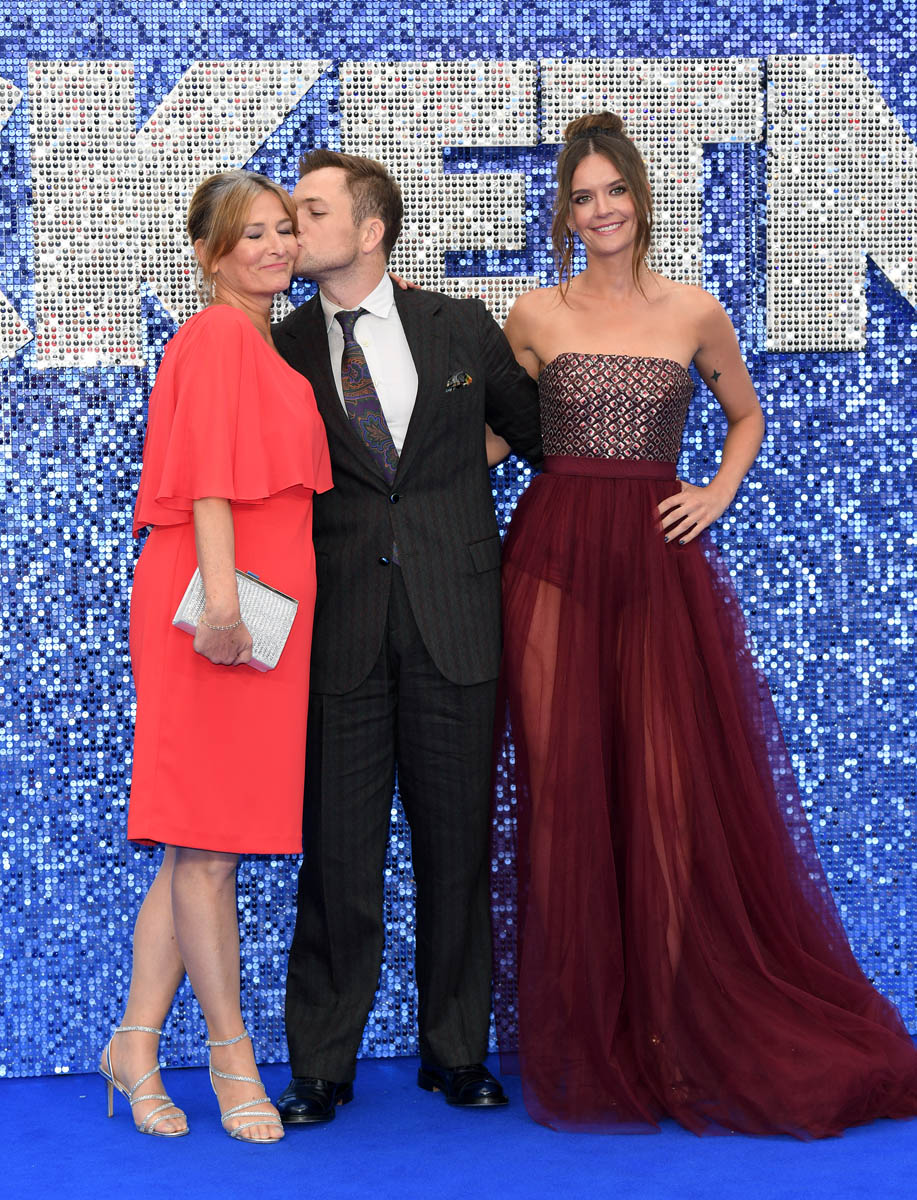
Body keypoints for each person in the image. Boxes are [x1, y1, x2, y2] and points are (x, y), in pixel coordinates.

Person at [492, 112, 917, 1137]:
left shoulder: (693, 310)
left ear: (641, 198)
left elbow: (745, 415)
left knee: (664, 798)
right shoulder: (532, 314)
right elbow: (501, 437)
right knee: (560, 794)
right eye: (581, 197)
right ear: (564, 215)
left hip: (655, 566)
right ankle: (585, 1031)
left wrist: (715, 494)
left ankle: (668, 1029)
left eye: (613, 191)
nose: (600, 210)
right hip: (549, 563)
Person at [272, 149, 542, 1122]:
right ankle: (321, 1064)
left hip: (455, 621)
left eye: (312, 211)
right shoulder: (279, 344)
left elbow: (537, 432)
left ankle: (456, 1052)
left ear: (370, 227)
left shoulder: (457, 325)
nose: (294, 228)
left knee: (456, 849)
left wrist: (464, 468)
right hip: (337, 631)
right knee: (337, 858)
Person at [99, 169, 332, 1143]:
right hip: (218, 608)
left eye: (283, 229)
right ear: (208, 254)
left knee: (200, 844)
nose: (275, 247)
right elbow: (205, 482)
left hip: (255, 611)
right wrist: (225, 605)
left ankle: (133, 1045)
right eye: (251, 235)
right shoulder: (216, 337)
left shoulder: (263, 341)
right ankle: (233, 1059)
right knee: (204, 850)